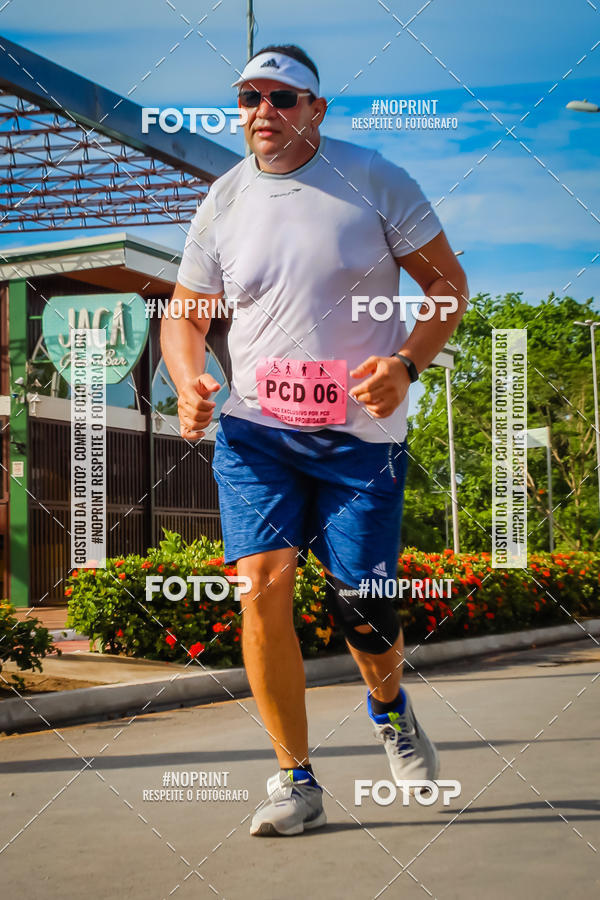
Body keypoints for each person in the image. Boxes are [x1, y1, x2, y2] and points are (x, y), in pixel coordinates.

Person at [161, 43, 468, 837]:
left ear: (316, 109)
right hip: (257, 430)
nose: (263, 110)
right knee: (261, 585)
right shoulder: (223, 200)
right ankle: (295, 779)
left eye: (283, 97)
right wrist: (191, 379)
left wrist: (405, 364)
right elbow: (186, 314)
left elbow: (446, 286)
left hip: (360, 438)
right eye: (249, 96)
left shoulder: (374, 178)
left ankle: (389, 705)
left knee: (363, 608)